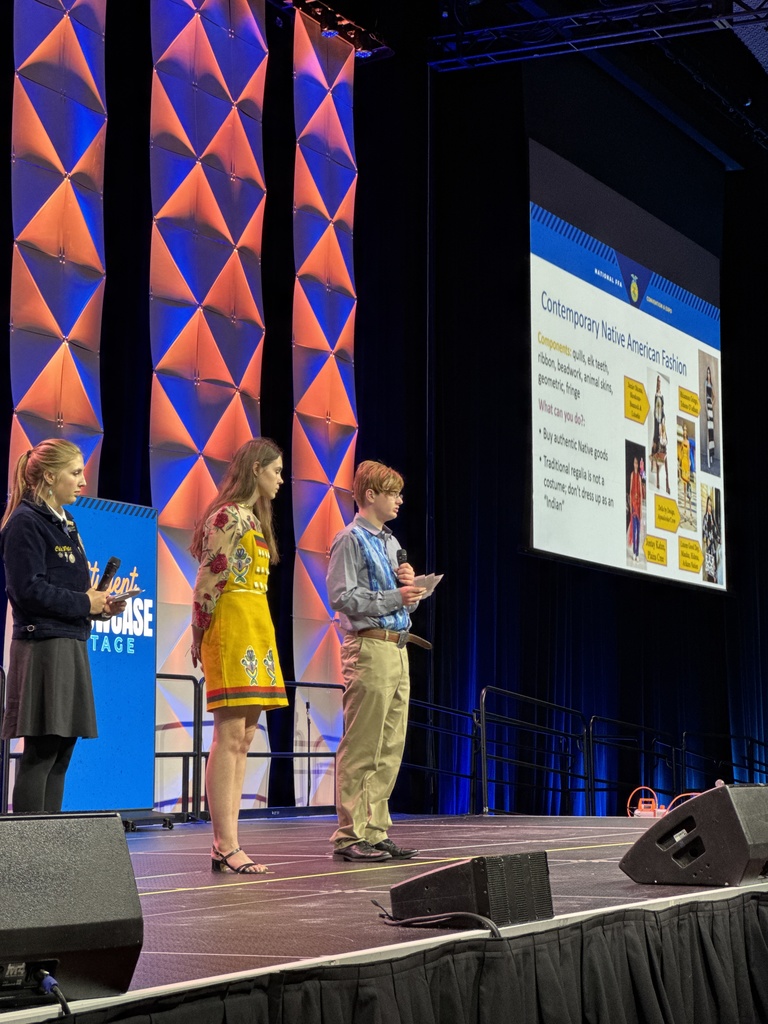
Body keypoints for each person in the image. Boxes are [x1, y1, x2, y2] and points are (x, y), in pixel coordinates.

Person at [0, 438, 120, 813]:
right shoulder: (25, 522)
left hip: (70, 643)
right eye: (75, 473)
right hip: (43, 649)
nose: (83, 481)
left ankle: (52, 842)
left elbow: (67, 590)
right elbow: (28, 591)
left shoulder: (66, 523)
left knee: (62, 751)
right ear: (50, 476)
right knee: (42, 751)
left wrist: (98, 607)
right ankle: (28, 845)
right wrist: (85, 602)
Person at [190, 438, 287, 874]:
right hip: (230, 625)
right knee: (230, 736)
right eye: (276, 471)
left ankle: (228, 841)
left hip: (255, 625)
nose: (280, 480)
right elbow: (208, 579)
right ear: (255, 469)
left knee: (246, 737)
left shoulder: (252, 518)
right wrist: (198, 633)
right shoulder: (228, 516)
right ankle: (224, 843)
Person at [326, 460, 428, 862]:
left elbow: (399, 603)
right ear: (370, 495)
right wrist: (393, 597)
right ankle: (350, 834)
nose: (400, 501)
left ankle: (374, 829)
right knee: (363, 743)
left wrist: (410, 590)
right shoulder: (349, 539)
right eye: (393, 493)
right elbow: (341, 596)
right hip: (369, 648)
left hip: (398, 648)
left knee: (390, 745)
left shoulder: (389, 541)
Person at [652, 376, 670, 493]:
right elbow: (656, 413)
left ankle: (667, 483)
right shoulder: (656, 396)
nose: (659, 384)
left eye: (660, 382)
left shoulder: (662, 397)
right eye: (658, 382)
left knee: (665, 455)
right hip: (657, 427)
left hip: (661, 428)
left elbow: (662, 412)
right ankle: (657, 481)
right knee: (656, 452)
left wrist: (663, 424)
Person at [703, 493, 719, 583]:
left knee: (714, 565)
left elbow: (715, 532)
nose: (710, 507)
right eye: (709, 505)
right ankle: (710, 579)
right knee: (710, 567)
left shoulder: (713, 518)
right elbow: (704, 530)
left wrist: (719, 539)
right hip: (709, 546)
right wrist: (706, 539)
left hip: (713, 546)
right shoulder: (705, 517)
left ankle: (715, 579)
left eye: (711, 505)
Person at [628, 456, 642, 562]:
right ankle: (634, 551)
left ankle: (637, 553)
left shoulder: (640, 477)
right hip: (633, 505)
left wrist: (640, 509)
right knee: (634, 530)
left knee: (638, 531)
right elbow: (630, 490)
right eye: (634, 463)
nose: (636, 464)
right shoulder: (632, 475)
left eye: (637, 463)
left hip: (638, 506)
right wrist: (630, 505)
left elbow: (641, 493)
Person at [705, 365, 716, 469]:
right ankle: (708, 460)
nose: (708, 375)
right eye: (707, 373)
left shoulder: (711, 384)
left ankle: (712, 456)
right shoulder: (706, 383)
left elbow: (714, 396)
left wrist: (712, 403)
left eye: (709, 373)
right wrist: (707, 411)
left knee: (712, 432)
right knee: (708, 433)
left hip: (711, 409)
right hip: (707, 410)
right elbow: (705, 398)